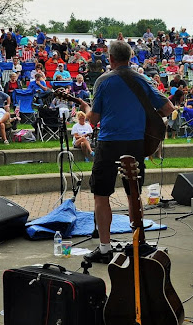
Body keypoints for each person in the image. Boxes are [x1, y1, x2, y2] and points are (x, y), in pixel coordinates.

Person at [74, 40, 174, 263]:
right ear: (130, 58)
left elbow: (94, 118)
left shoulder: (103, 81)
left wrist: (86, 109)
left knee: (101, 194)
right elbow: (168, 108)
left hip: (110, 143)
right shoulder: (143, 79)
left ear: (110, 58)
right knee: (133, 193)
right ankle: (139, 242)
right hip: (136, 143)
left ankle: (104, 248)